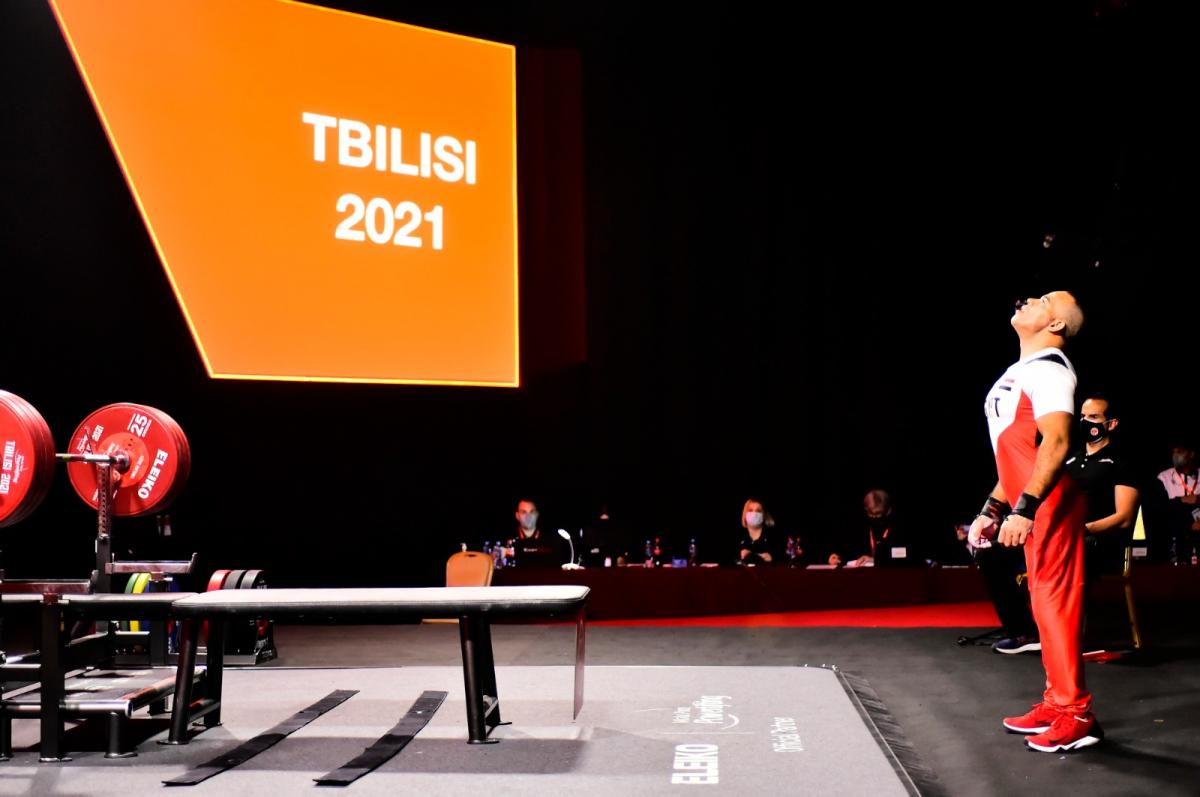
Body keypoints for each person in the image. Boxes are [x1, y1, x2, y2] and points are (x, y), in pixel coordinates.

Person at [968, 291, 1101, 752]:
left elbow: (1058, 443)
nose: (1028, 299)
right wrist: (992, 508)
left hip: (1051, 504)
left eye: (1044, 300)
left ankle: (1077, 712)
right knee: (1042, 608)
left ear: (1058, 325)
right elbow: (1017, 452)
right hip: (1033, 501)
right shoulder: (1022, 370)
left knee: (1055, 605)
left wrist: (1024, 508)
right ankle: (1056, 700)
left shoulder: (1049, 368)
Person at [1148, 439, 1200, 564]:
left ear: (1191, 454)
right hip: (1174, 544)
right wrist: (1182, 500)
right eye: (1173, 452)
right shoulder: (1163, 477)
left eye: (1180, 451)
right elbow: (1159, 509)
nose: (1175, 455)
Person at [828, 489, 908, 567]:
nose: (874, 517)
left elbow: (903, 556)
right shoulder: (859, 525)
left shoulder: (899, 527)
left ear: (888, 510)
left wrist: (875, 560)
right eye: (871, 513)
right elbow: (848, 549)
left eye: (878, 513)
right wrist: (837, 557)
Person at [506, 499, 567, 568]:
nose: (528, 517)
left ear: (537, 514)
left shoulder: (551, 540)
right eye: (524, 512)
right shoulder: (506, 540)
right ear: (517, 516)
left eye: (531, 512)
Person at [735, 498, 782, 565]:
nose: (754, 513)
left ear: (764, 515)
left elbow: (783, 561)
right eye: (750, 510)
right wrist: (739, 558)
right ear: (745, 514)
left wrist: (772, 559)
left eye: (758, 511)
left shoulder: (774, 537)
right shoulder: (737, 536)